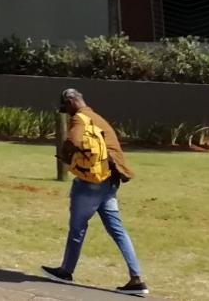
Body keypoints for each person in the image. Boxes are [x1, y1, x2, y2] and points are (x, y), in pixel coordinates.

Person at [42, 88, 149, 296]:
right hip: (109, 183)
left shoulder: (79, 119)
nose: (67, 113)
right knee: (117, 230)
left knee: (77, 228)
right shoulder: (98, 118)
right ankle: (137, 278)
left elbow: (73, 141)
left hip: (89, 185)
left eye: (66, 108)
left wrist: (66, 157)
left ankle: (66, 271)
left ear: (71, 102)